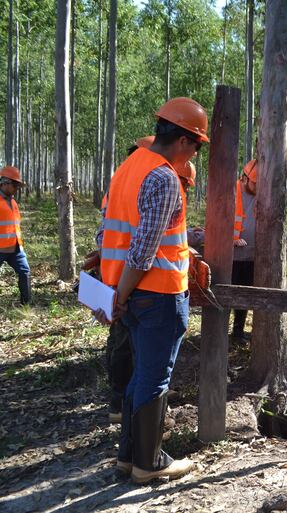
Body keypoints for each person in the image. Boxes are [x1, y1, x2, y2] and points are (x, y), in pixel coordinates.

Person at [98, 97, 209, 483]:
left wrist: (113, 291)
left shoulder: (127, 169)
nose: (195, 153)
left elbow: (111, 236)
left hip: (129, 292)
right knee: (154, 377)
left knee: (139, 375)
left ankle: (129, 456)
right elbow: (143, 251)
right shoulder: (162, 178)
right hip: (157, 295)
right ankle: (150, 461)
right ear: (182, 141)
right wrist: (121, 296)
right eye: (196, 145)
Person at [231, 160, 258, 339]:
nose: (258, 187)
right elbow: (221, 218)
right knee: (228, 292)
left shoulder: (265, 192)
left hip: (252, 253)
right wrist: (232, 239)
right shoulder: (232, 190)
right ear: (246, 178)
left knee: (246, 292)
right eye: (255, 183)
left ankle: (238, 331)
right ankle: (218, 332)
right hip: (231, 254)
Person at [0, 165, 31, 305]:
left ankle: (27, 304)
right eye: (15, 185)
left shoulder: (13, 202)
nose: (16, 189)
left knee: (25, 272)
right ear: (5, 183)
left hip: (15, 248)